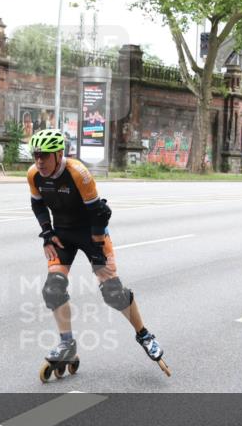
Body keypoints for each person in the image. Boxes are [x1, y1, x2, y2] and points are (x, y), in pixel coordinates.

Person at [26, 128, 170, 379]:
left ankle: (144, 335)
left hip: (91, 232)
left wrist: (97, 245)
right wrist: (47, 232)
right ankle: (67, 344)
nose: (39, 161)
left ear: (58, 154)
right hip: (63, 234)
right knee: (53, 289)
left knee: (113, 293)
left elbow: (100, 213)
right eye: (36, 155)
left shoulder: (78, 173)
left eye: (45, 155)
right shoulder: (34, 174)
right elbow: (37, 204)